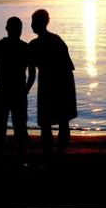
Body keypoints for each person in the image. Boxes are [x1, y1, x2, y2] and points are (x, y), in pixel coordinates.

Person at [29, 9, 77, 160]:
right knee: (61, 122)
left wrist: (25, 88)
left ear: (39, 23)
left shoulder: (36, 44)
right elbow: (69, 66)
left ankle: (52, 154)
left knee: (48, 122)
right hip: (63, 84)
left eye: (33, 22)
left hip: (53, 85)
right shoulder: (56, 40)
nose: (31, 25)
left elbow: (30, 69)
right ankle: (58, 154)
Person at [0, 17, 35, 164]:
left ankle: (1, 159)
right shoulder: (25, 48)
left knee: (1, 128)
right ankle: (18, 160)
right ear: (19, 30)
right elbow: (32, 74)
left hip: (4, 92)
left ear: (7, 29)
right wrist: (26, 90)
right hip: (15, 93)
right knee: (19, 128)